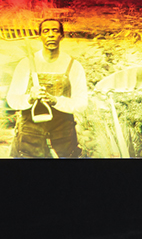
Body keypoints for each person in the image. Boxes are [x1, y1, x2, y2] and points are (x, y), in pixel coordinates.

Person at [5, 18, 88, 158]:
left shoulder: (73, 66)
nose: (50, 34)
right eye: (46, 31)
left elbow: (81, 103)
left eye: (55, 31)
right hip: (30, 139)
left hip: (63, 139)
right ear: (40, 36)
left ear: (61, 36)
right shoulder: (25, 64)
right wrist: (30, 98)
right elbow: (12, 100)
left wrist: (55, 101)